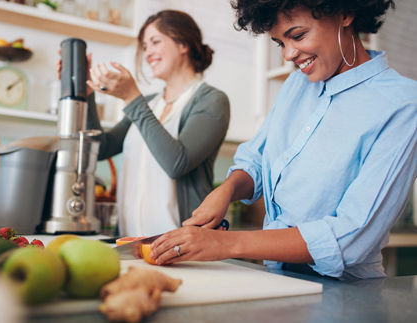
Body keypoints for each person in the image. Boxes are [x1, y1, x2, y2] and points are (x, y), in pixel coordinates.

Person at [150, 0, 417, 280]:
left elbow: (351, 235)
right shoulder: (296, 85)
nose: (288, 54)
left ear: (346, 13)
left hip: (347, 292)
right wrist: (226, 191)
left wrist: (223, 244)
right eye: (279, 43)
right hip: (278, 277)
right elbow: (256, 159)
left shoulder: (401, 104)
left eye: (298, 35)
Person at [61, 10, 230, 237]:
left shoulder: (211, 100)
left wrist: (132, 97)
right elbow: (102, 148)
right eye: (144, 46)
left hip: (184, 246)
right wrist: (88, 94)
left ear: (183, 44)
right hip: (132, 243)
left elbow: (177, 163)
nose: (148, 52)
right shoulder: (149, 103)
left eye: (155, 42)